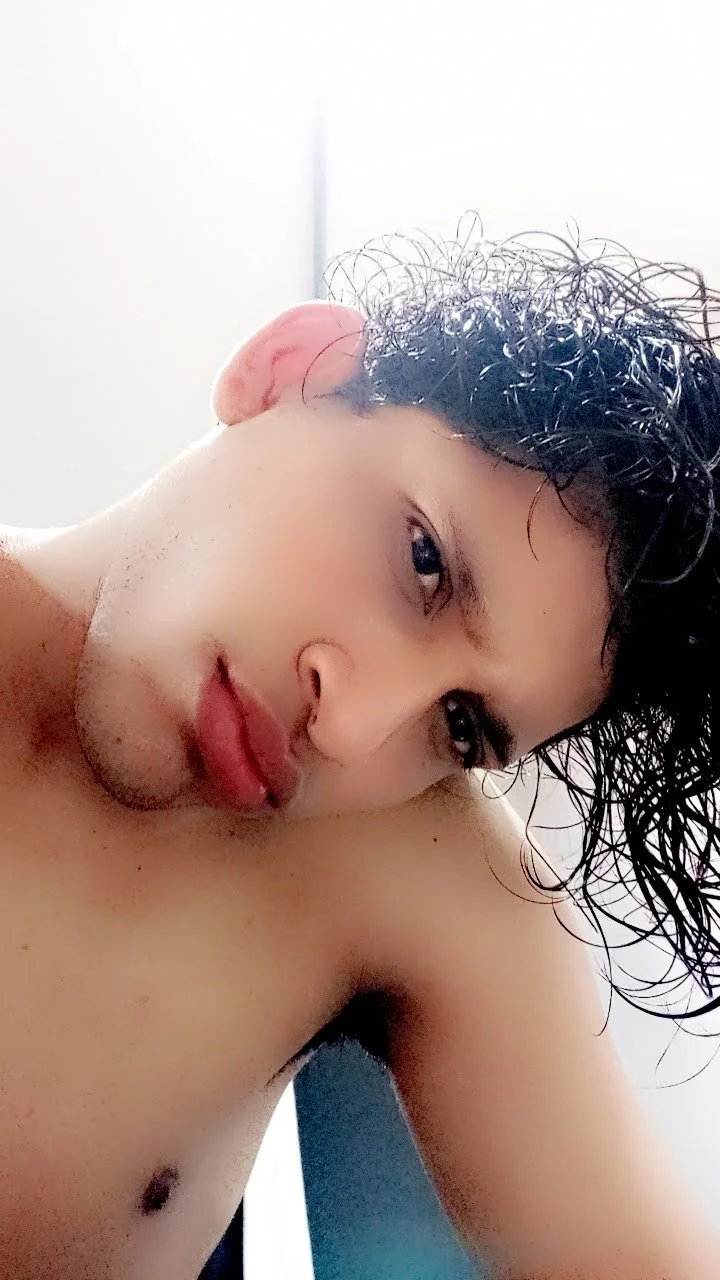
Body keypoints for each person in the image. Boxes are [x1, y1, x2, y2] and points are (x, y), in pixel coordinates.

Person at [2, 229, 720, 1280]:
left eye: (461, 724)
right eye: (423, 559)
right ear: (290, 369)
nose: (353, 729)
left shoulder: (406, 861)